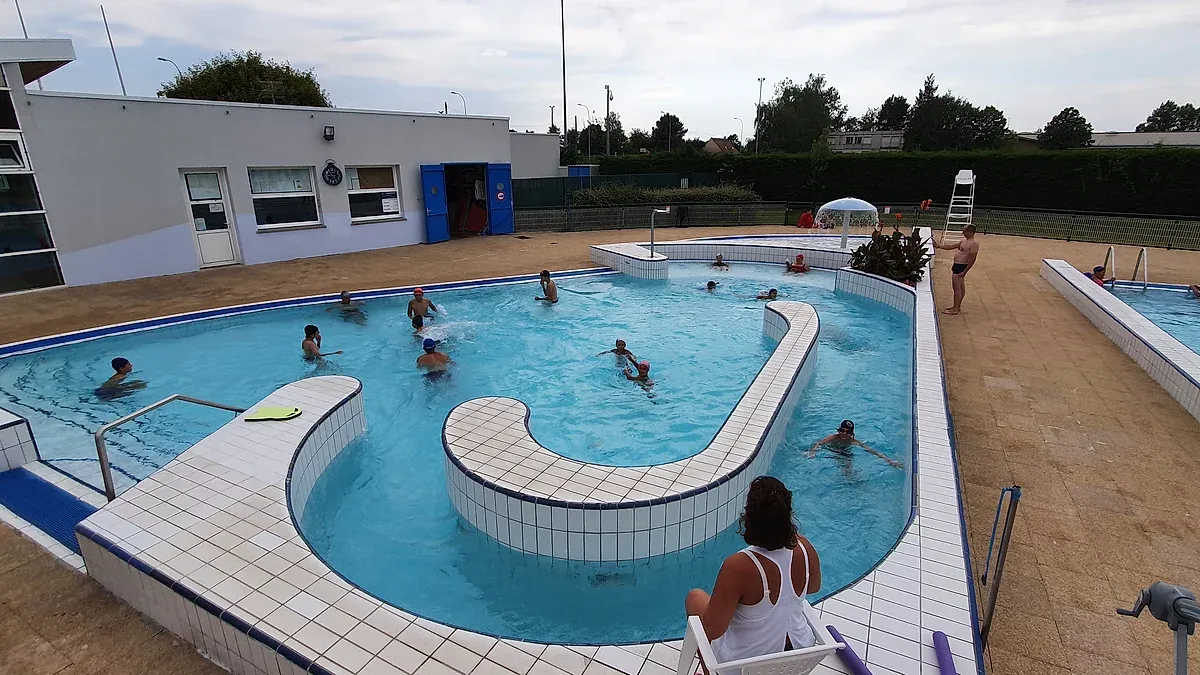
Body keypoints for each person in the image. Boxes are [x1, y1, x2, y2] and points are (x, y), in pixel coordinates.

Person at [685, 476, 822, 669]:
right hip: (798, 656)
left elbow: (713, 629)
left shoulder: (740, 566)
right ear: (788, 515)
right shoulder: (805, 548)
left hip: (749, 665)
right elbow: (814, 587)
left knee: (694, 598)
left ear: (749, 518)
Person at [807, 420, 902, 469]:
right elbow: (819, 443)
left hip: (845, 453)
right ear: (839, 430)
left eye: (848, 432)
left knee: (848, 468)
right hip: (832, 450)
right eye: (842, 430)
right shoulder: (833, 438)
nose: (844, 433)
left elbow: (872, 451)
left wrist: (889, 460)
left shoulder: (854, 442)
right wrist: (812, 452)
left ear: (852, 434)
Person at [934, 224, 979, 315]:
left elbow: (972, 258)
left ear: (970, 232)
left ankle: (955, 308)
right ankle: (957, 306)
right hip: (957, 265)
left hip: (961, 266)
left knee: (957, 288)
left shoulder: (974, 244)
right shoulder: (963, 241)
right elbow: (951, 247)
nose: (963, 232)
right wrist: (939, 246)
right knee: (960, 287)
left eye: (965, 231)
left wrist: (965, 271)